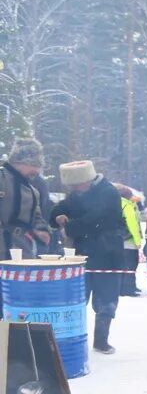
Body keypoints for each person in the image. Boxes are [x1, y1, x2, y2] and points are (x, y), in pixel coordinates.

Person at [52, 160, 127, 354]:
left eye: (77, 185)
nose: (75, 189)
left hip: (108, 254)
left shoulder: (108, 193)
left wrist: (69, 227)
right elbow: (59, 208)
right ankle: (73, 339)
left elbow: (96, 219)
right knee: (77, 299)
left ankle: (101, 340)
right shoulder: (77, 194)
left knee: (106, 300)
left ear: (87, 180)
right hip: (83, 255)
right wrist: (58, 216)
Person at [0, 137, 51, 266]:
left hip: (21, 249)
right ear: (21, 162)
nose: (36, 170)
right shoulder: (2, 179)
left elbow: (37, 216)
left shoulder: (33, 191)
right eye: (34, 165)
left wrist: (41, 230)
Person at [117, 186, 143, 297]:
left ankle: (122, 288)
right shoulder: (127, 206)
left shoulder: (117, 204)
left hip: (119, 240)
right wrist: (138, 241)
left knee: (122, 266)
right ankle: (128, 289)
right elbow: (132, 225)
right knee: (131, 266)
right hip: (129, 241)